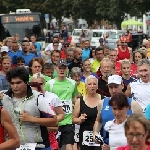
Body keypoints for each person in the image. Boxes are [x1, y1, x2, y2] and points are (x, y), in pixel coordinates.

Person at [2, 67, 58, 150]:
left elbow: (54, 122)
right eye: (12, 83)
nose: (15, 86)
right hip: (14, 146)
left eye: (18, 83)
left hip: (38, 146)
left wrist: (31, 119)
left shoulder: (38, 98)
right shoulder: (4, 98)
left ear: (26, 82)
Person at [93, 75, 143, 145]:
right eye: (111, 87)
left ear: (122, 86)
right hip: (108, 145)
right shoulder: (102, 103)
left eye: (116, 87)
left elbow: (143, 125)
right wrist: (95, 133)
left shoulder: (133, 104)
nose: (113, 90)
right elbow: (99, 120)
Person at [45, 59, 78, 150]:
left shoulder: (73, 83)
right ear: (56, 68)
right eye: (60, 68)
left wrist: (78, 109)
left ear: (67, 69)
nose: (62, 70)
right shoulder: (49, 84)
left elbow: (74, 98)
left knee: (69, 145)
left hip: (68, 120)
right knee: (56, 147)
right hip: (55, 121)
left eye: (64, 68)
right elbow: (45, 100)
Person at [30, 73, 65, 150]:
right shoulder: (28, 98)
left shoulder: (52, 97)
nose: (38, 86)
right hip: (33, 134)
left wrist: (51, 121)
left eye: (40, 84)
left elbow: (61, 114)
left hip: (50, 133)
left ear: (44, 84)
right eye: (35, 84)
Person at [73, 75, 101, 150]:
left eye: (94, 84)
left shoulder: (103, 99)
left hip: (99, 134)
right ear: (85, 86)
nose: (92, 86)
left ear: (97, 86)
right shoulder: (80, 101)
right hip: (85, 134)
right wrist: (79, 119)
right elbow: (73, 119)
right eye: (89, 84)